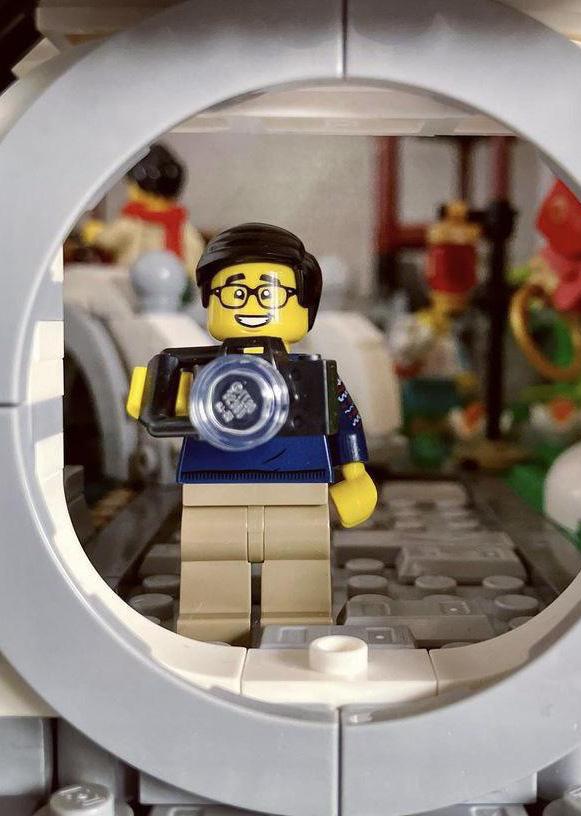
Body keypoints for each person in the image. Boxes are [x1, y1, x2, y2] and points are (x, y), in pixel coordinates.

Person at [126, 223, 377, 644]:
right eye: (235, 292)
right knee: (211, 560)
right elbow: (156, 409)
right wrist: (153, 394)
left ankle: (299, 632)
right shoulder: (198, 374)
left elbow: (345, 419)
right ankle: (211, 635)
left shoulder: (313, 374)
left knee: (300, 562)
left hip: (298, 483)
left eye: (271, 293)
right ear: (210, 301)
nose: (253, 304)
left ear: (305, 306)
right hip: (214, 483)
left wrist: (355, 473)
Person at [82, 143, 204, 279]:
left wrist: (95, 234)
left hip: (135, 281)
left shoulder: (133, 223)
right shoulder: (183, 228)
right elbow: (195, 251)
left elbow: (108, 239)